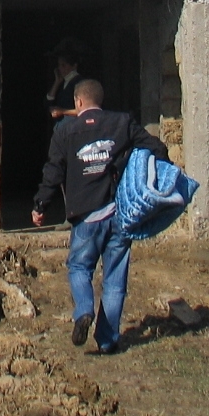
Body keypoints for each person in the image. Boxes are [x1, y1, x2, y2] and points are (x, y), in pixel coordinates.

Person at [31, 78, 168, 354]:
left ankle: (84, 310)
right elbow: (155, 147)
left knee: (79, 268)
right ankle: (108, 340)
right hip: (119, 216)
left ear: (78, 102)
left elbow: (53, 171)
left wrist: (40, 205)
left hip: (86, 216)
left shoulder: (65, 131)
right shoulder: (122, 122)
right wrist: (160, 179)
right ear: (99, 101)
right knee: (115, 281)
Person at [45, 46, 81, 119]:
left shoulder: (80, 83)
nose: (60, 68)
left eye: (64, 65)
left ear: (74, 66)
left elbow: (85, 110)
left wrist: (62, 111)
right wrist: (57, 82)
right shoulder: (61, 83)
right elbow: (48, 104)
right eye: (59, 65)